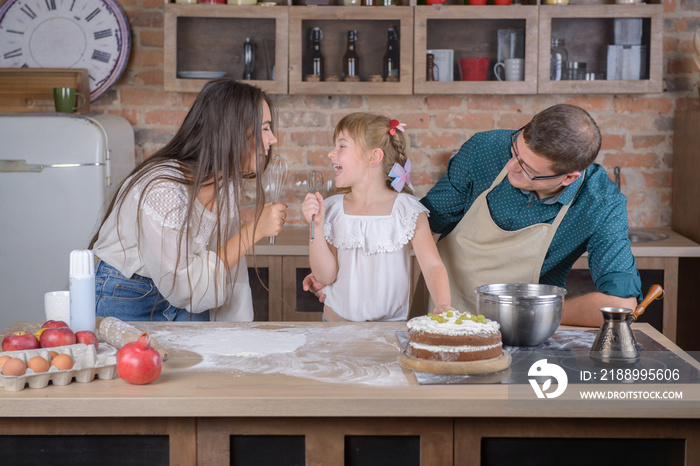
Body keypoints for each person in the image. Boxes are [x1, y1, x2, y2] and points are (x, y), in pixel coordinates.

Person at [418, 104, 642, 327]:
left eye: (528, 169)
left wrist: (529, 313)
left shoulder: (600, 204)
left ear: (568, 178)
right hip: (442, 318)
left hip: (527, 332)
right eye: (515, 150)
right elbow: (422, 222)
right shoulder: (484, 149)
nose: (510, 165)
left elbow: (621, 305)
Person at [89, 78, 287, 322]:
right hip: (126, 293)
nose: (273, 139)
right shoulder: (163, 190)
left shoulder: (225, 184)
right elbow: (184, 288)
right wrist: (253, 231)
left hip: (186, 291)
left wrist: (237, 334)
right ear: (233, 130)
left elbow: (229, 265)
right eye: (265, 128)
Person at [301, 112, 451, 322]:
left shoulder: (407, 210)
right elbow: (326, 276)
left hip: (389, 329)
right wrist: (315, 227)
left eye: (341, 146)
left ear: (373, 157)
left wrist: (443, 305)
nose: (331, 154)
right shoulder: (332, 209)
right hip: (335, 328)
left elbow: (432, 265)